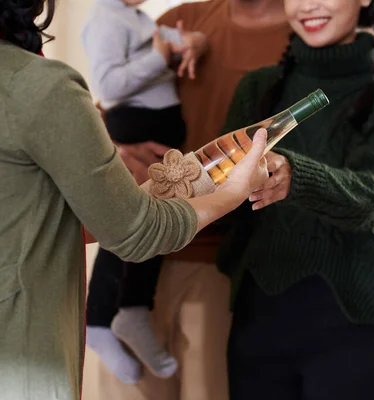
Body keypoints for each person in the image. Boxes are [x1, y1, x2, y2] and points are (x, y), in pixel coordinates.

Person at [0, 1, 270, 398]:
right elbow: (135, 232)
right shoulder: (38, 86)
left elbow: (45, 223)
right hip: (22, 364)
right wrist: (232, 190)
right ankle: (108, 318)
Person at [218, 0, 374, 398]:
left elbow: (371, 199)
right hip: (256, 320)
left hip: (349, 323)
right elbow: (223, 198)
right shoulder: (257, 89)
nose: (308, 5)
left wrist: (294, 177)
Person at [95, 0, 290, 398]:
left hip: (224, 266)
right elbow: (108, 103)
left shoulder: (308, 32)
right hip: (141, 258)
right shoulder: (181, 23)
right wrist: (115, 149)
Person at [80, 0, 208, 384]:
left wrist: (194, 42)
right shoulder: (105, 21)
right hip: (137, 126)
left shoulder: (134, 19)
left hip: (153, 128)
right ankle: (108, 315)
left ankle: (123, 310)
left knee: (149, 221)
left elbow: (178, 39)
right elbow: (107, 84)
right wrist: (160, 58)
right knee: (132, 225)